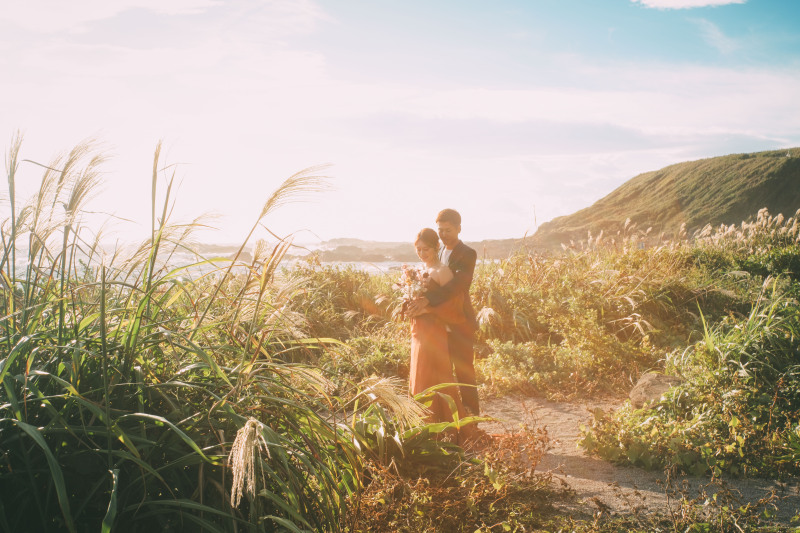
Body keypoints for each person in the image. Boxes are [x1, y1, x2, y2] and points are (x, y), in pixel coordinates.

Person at [408, 209, 480, 416]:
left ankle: (472, 416)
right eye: (440, 230)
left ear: (459, 228)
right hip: (436, 325)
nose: (443, 234)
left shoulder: (467, 253)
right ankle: (444, 415)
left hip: (460, 321)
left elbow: (458, 286)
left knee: (464, 371)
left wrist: (427, 301)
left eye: (448, 230)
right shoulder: (436, 251)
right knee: (440, 372)